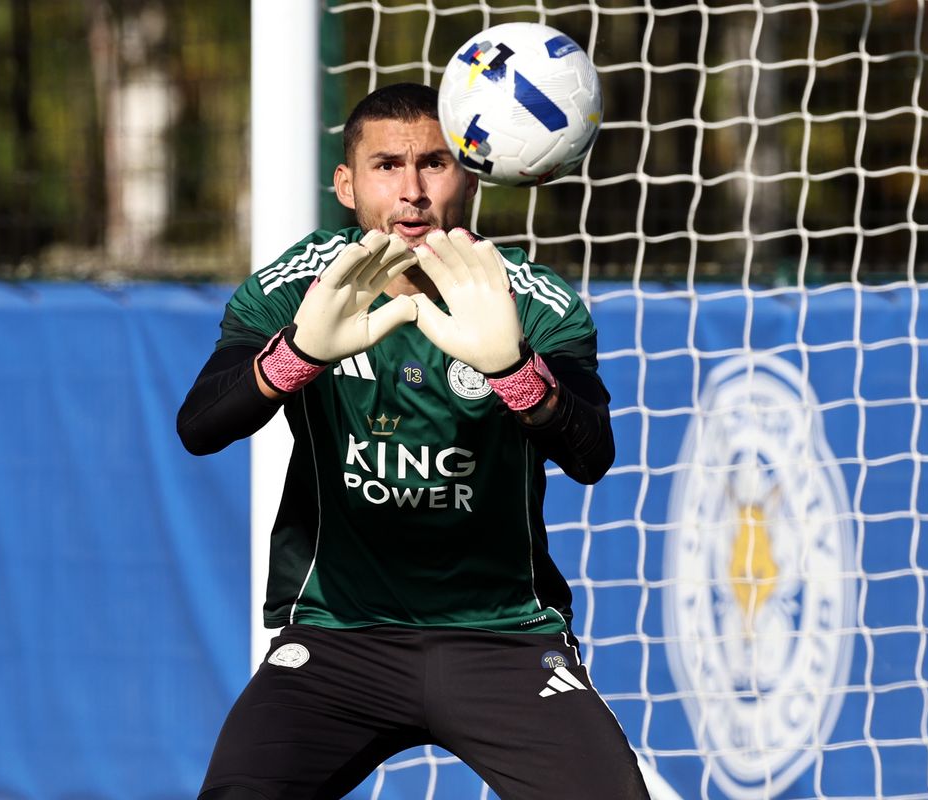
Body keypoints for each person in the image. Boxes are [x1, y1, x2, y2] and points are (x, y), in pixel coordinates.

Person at [177, 82, 649, 800]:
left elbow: (593, 454)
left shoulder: (529, 299)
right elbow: (200, 427)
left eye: (434, 163)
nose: (412, 191)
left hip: (505, 638)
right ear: (346, 183)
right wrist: (296, 357)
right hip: (340, 638)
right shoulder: (298, 289)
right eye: (386, 165)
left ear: (471, 171)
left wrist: (515, 372)